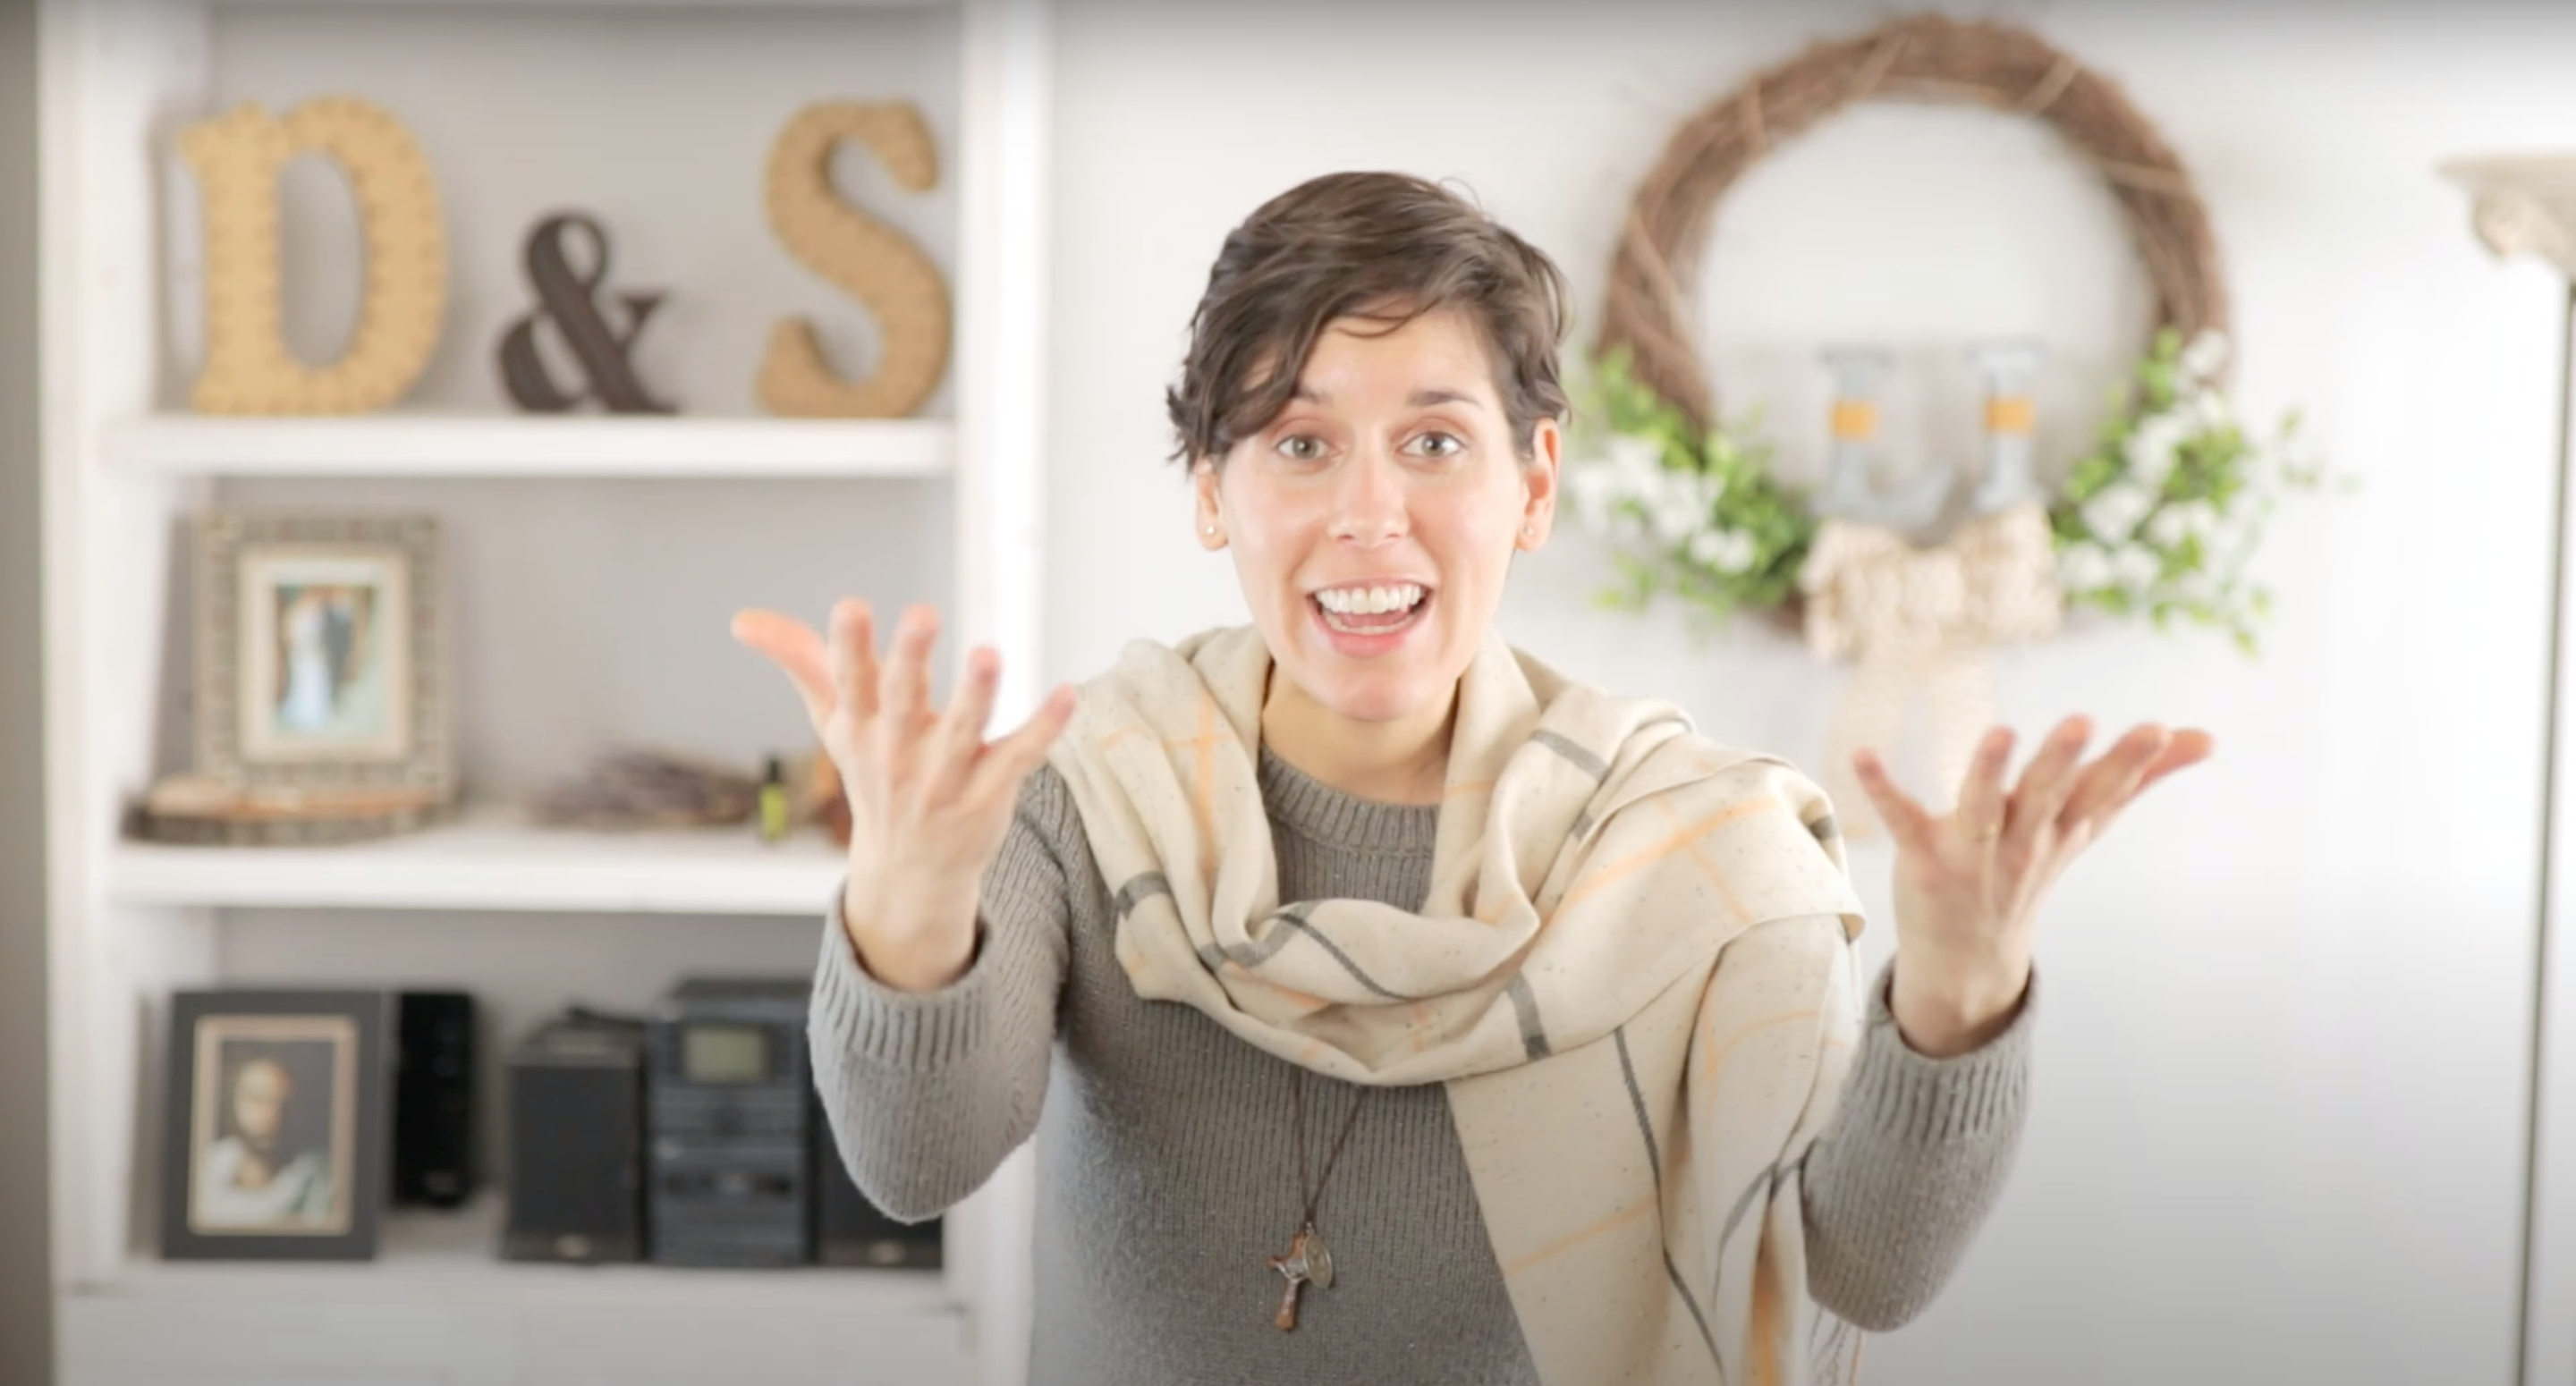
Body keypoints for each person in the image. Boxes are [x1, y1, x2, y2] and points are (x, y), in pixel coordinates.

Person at [735, 172, 2210, 1386]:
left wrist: (1956, 997)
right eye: (1300, 444)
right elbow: (914, 1165)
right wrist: (907, 909)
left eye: (1434, 441)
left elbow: (1866, 1268)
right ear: (1210, 493)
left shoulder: (1692, 844)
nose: (1371, 513)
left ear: (1534, 482)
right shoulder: (1074, 791)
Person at [194, 1047, 335, 1230]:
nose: (271, 1115)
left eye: (284, 1103)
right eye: (257, 1098)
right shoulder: (203, 1167)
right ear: (232, 1103)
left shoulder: (322, 1180)